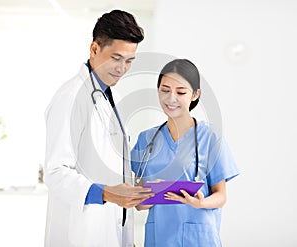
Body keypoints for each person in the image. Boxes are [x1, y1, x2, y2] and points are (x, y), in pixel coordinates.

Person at [44, 10, 153, 247]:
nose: (122, 68)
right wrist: (106, 193)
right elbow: (55, 172)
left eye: (129, 61)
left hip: (112, 233)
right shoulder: (71, 97)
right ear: (94, 49)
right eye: (116, 58)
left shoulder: (111, 97)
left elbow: (108, 167)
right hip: (81, 234)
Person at [131, 59, 240, 246]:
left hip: (199, 238)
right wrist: (153, 194)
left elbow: (221, 196)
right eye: (165, 90)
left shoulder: (211, 138)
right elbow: (139, 204)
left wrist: (200, 203)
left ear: (195, 95)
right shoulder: (146, 139)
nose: (171, 98)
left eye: (180, 92)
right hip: (159, 238)